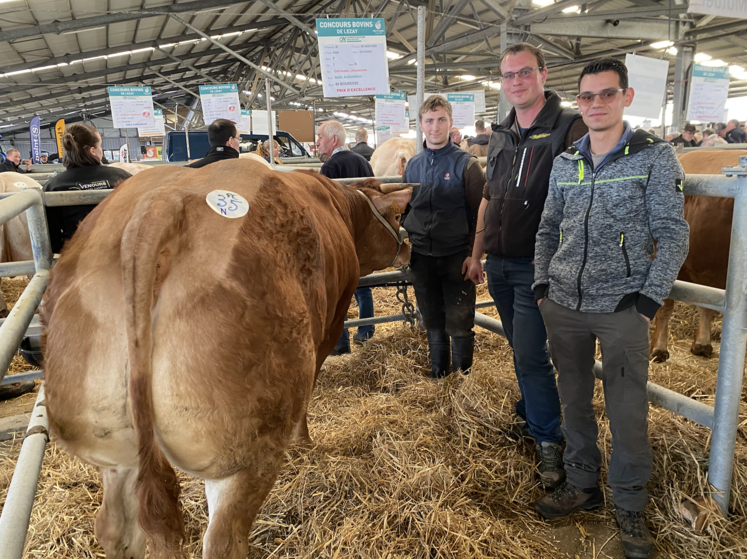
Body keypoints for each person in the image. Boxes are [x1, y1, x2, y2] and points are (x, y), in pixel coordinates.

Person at [532, 58, 689, 559]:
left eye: (606, 94)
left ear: (626, 97)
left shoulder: (655, 158)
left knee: (626, 410)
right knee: (573, 398)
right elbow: (546, 227)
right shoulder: (566, 162)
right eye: (587, 97)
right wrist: (541, 285)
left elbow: (673, 232)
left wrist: (647, 300)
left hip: (622, 308)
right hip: (563, 305)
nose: (596, 104)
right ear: (578, 103)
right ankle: (582, 484)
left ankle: (629, 503)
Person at [466, 42, 587, 489]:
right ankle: (534, 412)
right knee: (521, 349)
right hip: (498, 263)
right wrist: (476, 254)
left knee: (533, 355)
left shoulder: (569, 128)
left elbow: (583, 197)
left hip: (538, 269)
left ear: (543, 74)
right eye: (508, 75)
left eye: (524, 73)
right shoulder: (500, 133)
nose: (516, 81)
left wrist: (559, 256)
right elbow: (487, 198)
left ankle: (549, 441)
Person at [403, 95, 484, 378]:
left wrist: (475, 255)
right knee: (432, 320)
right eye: (429, 120)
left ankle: (463, 381)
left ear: (450, 123)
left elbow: (480, 215)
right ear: (421, 125)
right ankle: (439, 378)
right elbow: (405, 209)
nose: (435, 127)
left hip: (456, 256)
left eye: (441, 120)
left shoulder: (468, 165)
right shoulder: (412, 166)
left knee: (460, 319)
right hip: (422, 256)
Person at [317, 120, 376, 355]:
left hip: (338, 237)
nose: (317, 141)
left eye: (320, 136)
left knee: (338, 290)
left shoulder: (329, 168)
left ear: (334, 140)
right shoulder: (363, 162)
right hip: (360, 236)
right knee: (362, 286)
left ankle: (340, 343)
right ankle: (366, 332)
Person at [44, 123, 132, 254]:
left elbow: (53, 240)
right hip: (119, 252)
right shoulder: (122, 177)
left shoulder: (53, 186)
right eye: (100, 146)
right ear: (92, 151)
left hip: (78, 258)